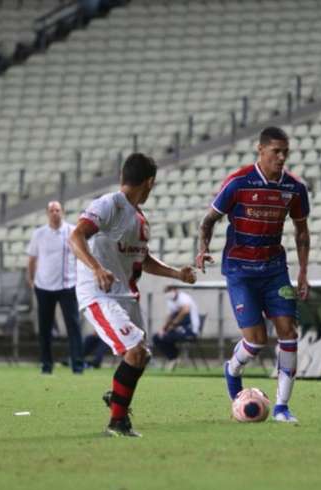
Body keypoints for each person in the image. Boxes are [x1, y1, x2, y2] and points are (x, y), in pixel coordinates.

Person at [69, 152, 196, 437]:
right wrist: (97, 268)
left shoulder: (139, 218)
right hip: (100, 293)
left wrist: (178, 274)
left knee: (141, 355)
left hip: (126, 295)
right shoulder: (109, 204)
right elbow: (75, 236)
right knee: (135, 351)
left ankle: (117, 398)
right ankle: (117, 422)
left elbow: (143, 259)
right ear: (150, 182)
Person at [196, 126, 311, 423]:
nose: (282, 157)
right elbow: (208, 221)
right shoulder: (238, 183)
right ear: (260, 151)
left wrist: (303, 273)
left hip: (275, 270)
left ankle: (282, 407)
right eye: (276, 152)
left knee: (289, 332)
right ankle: (232, 368)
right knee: (257, 341)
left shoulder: (294, 188)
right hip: (240, 270)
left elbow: (301, 231)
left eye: (286, 152)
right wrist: (202, 249)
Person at [27, 201, 83, 374]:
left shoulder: (72, 231)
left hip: (68, 285)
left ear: (63, 212)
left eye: (57, 210)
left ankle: (77, 365)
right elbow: (31, 259)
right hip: (43, 286)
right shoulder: (39, 234)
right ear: (47, 213)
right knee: (45, 328)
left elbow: (82, 255)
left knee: (73, 326)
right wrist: (31, 280)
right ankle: (46, 365)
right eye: (51, 210)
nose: (55, 213)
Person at [151, 285, 201, 369]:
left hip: (190, 329)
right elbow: (169, 316)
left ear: (175, 290)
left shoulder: (184, 298)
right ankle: (173, 358)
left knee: (167, 337)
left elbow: (185, 310)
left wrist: (173, 324)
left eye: (170, 291)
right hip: (177, 329)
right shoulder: (170, 301)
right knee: (157, 337)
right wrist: (163, 329)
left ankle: (175, 356)